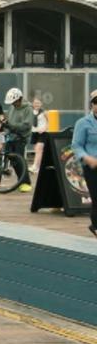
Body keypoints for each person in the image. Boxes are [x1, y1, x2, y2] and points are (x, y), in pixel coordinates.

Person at [71, 95, 97, 239]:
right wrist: (87, 158)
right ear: (91, 105)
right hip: (92, 166)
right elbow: (76, 145)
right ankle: (96, 226)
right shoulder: (83, 123)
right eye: (96, 102)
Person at [2, 88, 33, 192]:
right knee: (12, 159)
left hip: (21, 137)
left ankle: (26, 183)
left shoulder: (28, 108)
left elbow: (27, 125)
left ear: (19, 99)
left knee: (19, 160)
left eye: (14, 102)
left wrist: (12, 126)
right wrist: (6, 126)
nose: (13, 104)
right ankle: (20, 181)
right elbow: (9, 120)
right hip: (11, 136)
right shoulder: (12, 107)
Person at [29, 97, 49, 174]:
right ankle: (39, 167)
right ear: (33, 104)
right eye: (35, 103)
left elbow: (50, 122)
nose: (36, 104)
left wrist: (44, 128)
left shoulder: (44, 112)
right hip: (35, 132)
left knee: (39, 149)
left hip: (43, 133)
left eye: (38, 103)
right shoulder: (31, 112)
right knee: (37, 150)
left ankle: (35, 166)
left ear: (41, 104)